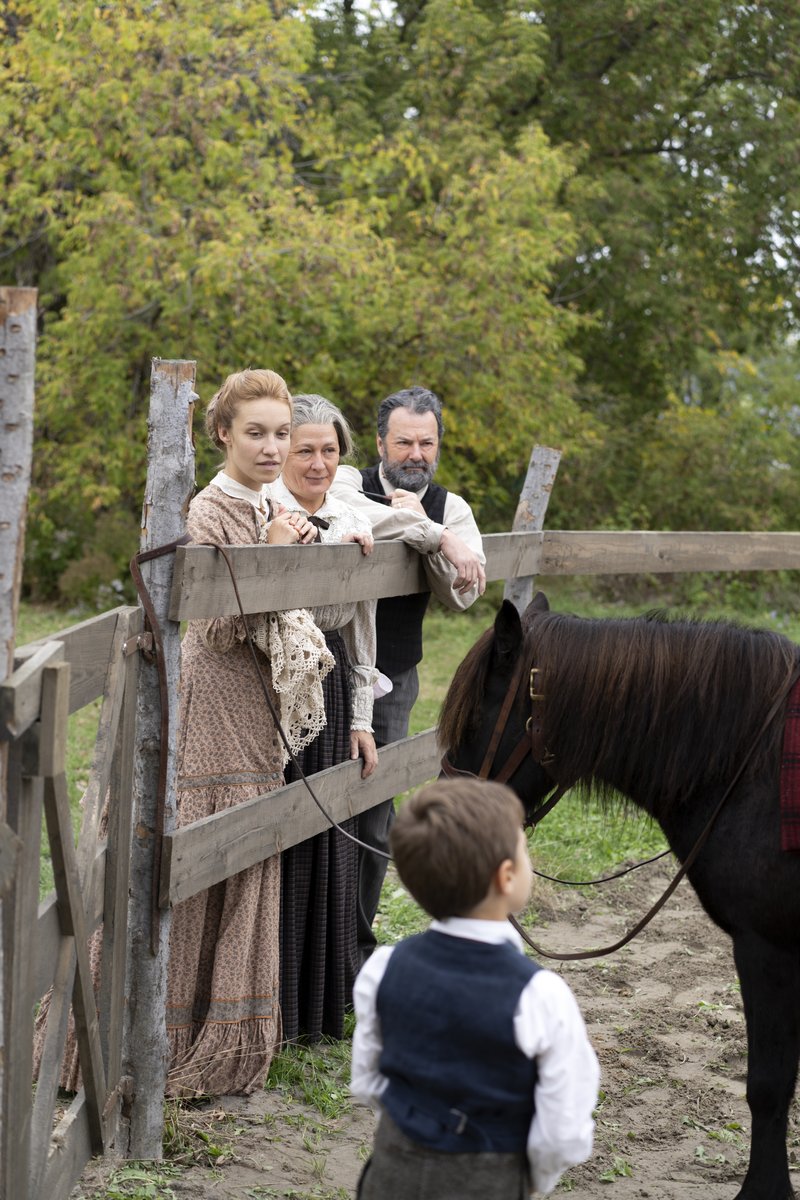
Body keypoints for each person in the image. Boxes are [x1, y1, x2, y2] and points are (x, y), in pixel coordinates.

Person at [165, 368, 326, 1097]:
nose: (271, 447)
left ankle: (229, 1037)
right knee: (206, 854)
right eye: (255, 432)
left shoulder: (270, 500)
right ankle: (169, 1038)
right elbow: (220, 623)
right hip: (213, 696)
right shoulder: (210, 508)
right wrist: (271, 543)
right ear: (223, 433)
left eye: (280, 434)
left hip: (254, 702)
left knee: (248, 845)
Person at [351, 778, 600, 1199]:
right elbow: (562, 1130)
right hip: (490, 1180)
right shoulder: (541, 995)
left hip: (392, 1172)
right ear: (506, 877)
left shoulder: (383, 968)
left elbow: (368, 1080)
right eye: (524, 849)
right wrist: (529, 1181)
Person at [329, 385, 487, 965]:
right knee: (303, 803)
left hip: (393, 676)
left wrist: (432, 530)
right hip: (320, 669)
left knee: (373, 813)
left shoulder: (453, 506)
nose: (416, 453)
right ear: (380, 443)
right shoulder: (344, 479)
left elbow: (464, 595)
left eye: (427, 442)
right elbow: (341, 509)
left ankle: (354, 952)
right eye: (404, 442)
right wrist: (426, 532)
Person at [265, 393, 378, 1042]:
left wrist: (362, 719)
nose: (317, 462)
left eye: (328, 450)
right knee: (268, 832)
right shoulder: (260, 510)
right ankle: (268, 1001)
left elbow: (363, 636)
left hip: (329, 689)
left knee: (324, 833)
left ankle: (311, 1008)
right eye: (304, 449)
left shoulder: (353, 512)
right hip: (268, 687)